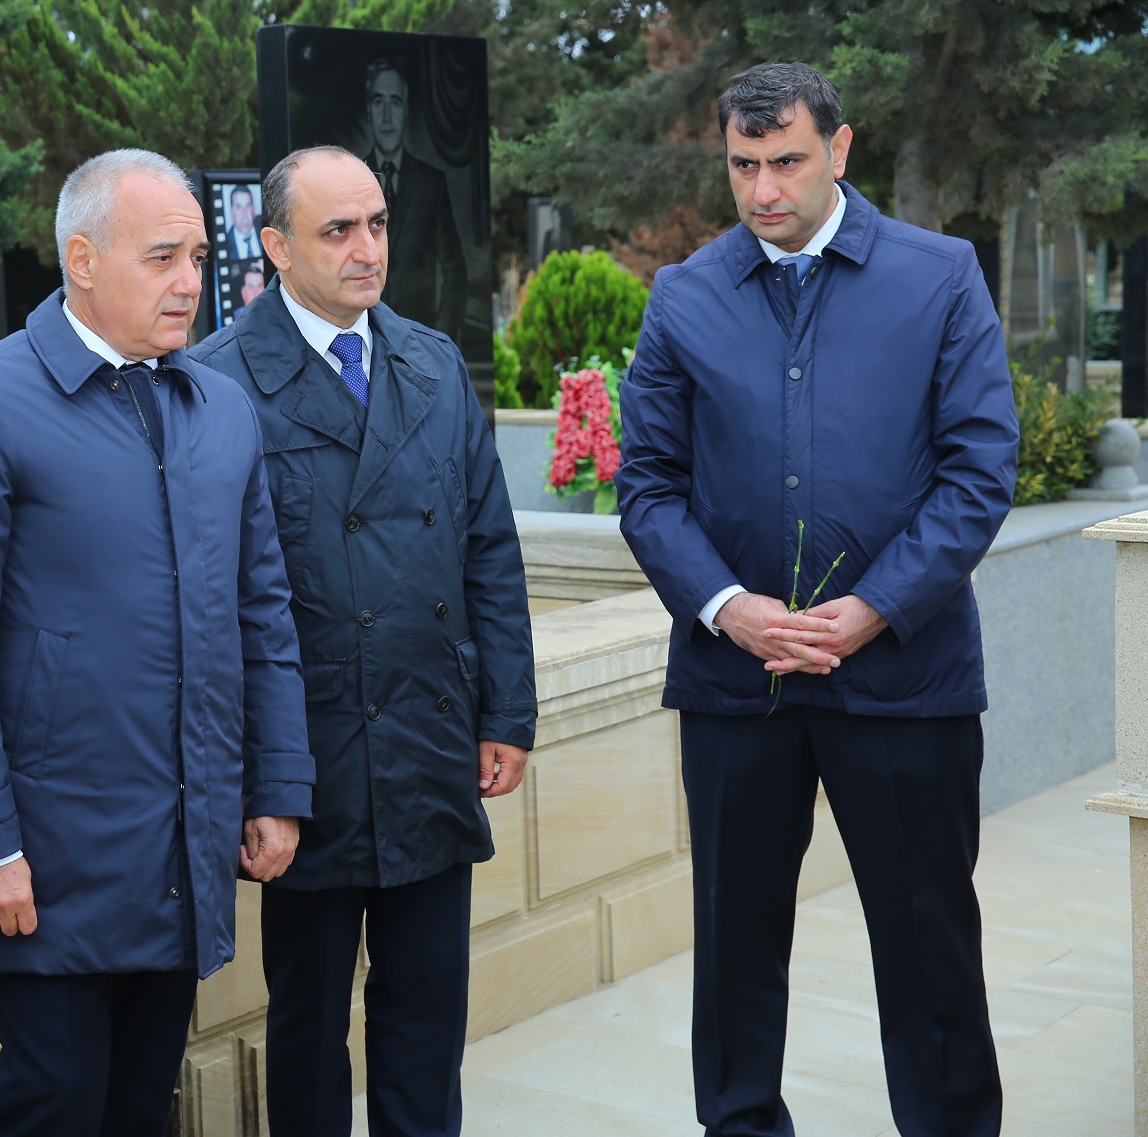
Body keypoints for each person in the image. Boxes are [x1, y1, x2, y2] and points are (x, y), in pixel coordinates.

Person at [616, 62, 1016, 1137]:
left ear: (839, 149)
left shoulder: (940, 277)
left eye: (786, 161)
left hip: (906, 680)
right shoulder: (684, 295)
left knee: (930, 948)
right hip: (735, 686)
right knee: (734, 947)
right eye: (742, 165)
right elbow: (647, 487)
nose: (763, 191)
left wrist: (876, 605)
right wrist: (725, 606)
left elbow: (981, 470)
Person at [0, 148, 315, 1137]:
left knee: (139, 1106)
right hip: (49, 855)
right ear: (82, 260)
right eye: (162, 257)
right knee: (57, 1107)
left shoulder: (219, 409)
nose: (189, 282)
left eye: (197, 257)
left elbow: (263, 613)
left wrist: (277, 787)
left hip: (182, 844)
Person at [191, 145, 537, 1137]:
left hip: (431, 741)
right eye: (338, 230)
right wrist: (254, 780)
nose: (367, 249)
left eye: (376, 224)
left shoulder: (433, 361)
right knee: (307, 1027)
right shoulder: (217, 382)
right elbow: (212, 605)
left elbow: (488, 548)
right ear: (275, 247)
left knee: (427, 1016)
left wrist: (507, 712)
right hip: (308, 762)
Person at [361, 58, 467, 336]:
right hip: (362, 338)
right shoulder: (349, 181)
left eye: (395, 103)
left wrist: (440, 338)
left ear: (406, 110)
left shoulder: (432, 183)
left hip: (420, 338)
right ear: (369, 111)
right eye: (379, 102)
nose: (387, 116)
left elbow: (455, 270)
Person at [226, 184, 264, 262]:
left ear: (253, 210)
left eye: (248, 206)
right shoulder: (225, 243)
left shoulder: (266, 230)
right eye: (238, 207)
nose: (244, 214)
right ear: (231, 212)